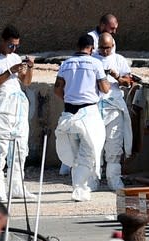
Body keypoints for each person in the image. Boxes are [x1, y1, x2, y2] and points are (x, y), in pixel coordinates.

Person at [0, 25, 36, 201]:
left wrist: (30, 68)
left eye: (16, 46)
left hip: (17, 104)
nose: (14, 49)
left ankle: (17, 186)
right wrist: (9, 71)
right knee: (0, 146)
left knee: (19, 147)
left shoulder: (15, 57)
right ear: (3, 41)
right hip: (0, 104)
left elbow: (25, 82)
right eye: (11, 45)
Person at [53, 34, 110, 201]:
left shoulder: (65, 64)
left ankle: (79, 187)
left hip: (69, 113)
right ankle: (79, 189)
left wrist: (70, 98)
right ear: (91, 48)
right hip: (89, 114)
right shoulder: (95, 63)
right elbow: (105, 88)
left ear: (77, 46)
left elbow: (57, 89)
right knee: (88, 153)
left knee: (74, 153)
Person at [92, 33, 133, 190]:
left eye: (107, 48)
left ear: (113, 46)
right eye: (101, 47)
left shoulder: (119, 60)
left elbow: (129, 82)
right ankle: (92, 180)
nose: (104, 51)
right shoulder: (92, 59)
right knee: (93, 145)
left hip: (114, 106)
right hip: (95, 106)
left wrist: (116, 75)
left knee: (114, 145)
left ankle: (114, 179)